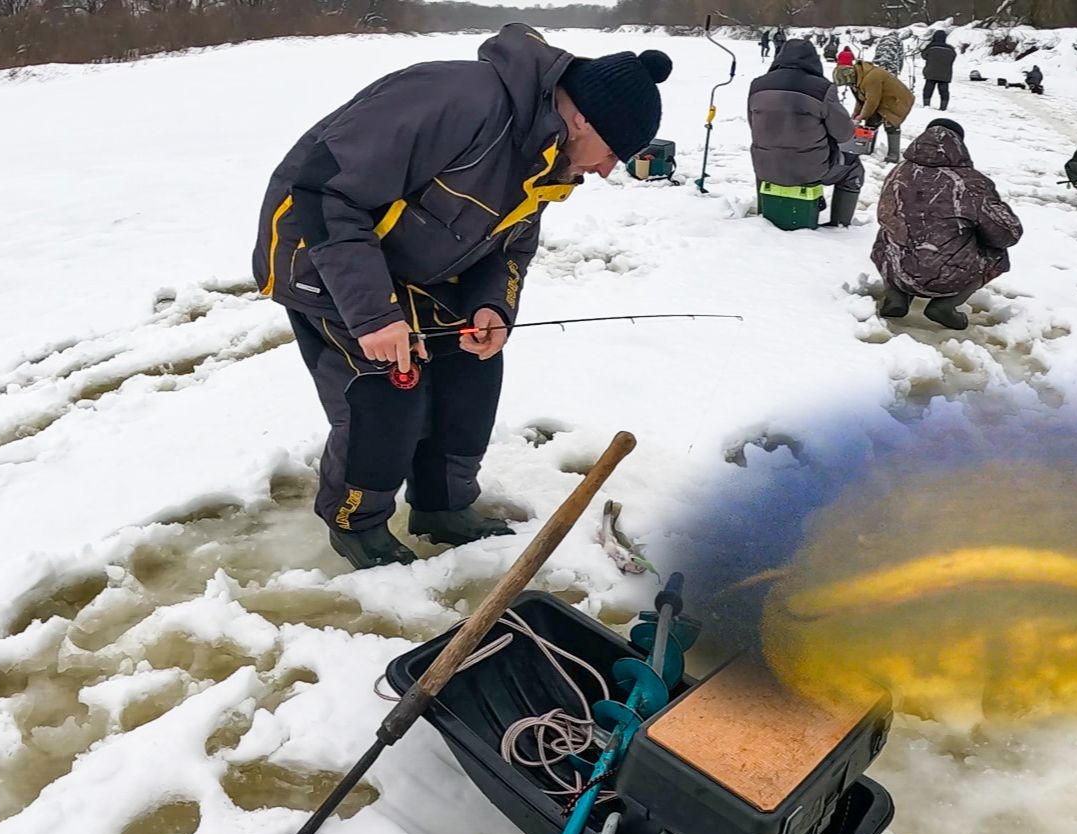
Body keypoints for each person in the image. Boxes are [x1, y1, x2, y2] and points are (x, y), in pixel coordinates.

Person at [253, 24, 669, 568]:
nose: (608, 169)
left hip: (419, 267)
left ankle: (443, 508)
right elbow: (324, 189)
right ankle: (357, 521)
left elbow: (511, 249)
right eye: (613, 152)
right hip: (320, 253)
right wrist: (375, 314)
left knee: (472, 368)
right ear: (582, 118)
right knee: (390, 386)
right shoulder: (456, 100)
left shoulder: (549, 156)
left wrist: (492, 306)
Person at [873, 119, 1023, 330]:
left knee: (886, 233)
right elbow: (1008, 233)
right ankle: (945, 305)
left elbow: (884, 214)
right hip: (948, 277)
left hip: (896, 267)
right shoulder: (970, 183)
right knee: (997, 252)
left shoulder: (898, 172)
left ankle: (896, 293)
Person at [750, 38, 865, 227]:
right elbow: (844, 134)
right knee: (853, 169)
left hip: (766, 169)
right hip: (811, 170)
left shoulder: (757, 85)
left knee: (769, 161)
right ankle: (840, 225)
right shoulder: (822, 89)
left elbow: (753, 125)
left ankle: (766, 215)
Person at [837, 59, 913, 164]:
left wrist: (861, 116)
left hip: (896, 100)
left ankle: (893, 155)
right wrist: (855, 114)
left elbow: (872, 101)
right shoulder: (858, 79)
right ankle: (867, 149)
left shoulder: (872, 77)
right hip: (882, 100)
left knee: (891, 124)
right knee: (871, 122)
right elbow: (861, 99)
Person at [922, 30, 955, 110]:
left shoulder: (931, 46)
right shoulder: (950, 49)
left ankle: (926, 104)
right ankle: (943, 107)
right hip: (945, 74)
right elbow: (953, 58)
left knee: (928, 89)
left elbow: (924, 56)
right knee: (944, 91)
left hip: (931, 72)